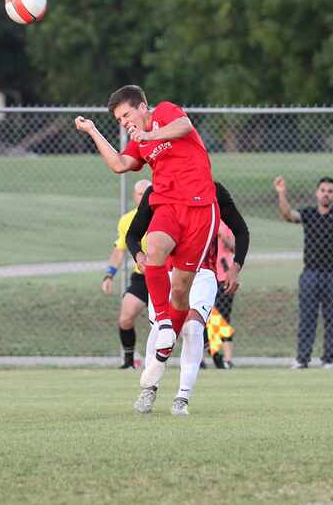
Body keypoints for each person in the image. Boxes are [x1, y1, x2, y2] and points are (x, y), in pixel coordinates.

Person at [76, 85, 218, 386]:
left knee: (181, 289)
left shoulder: (164, 112)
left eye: (126, 114)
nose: (124, 122)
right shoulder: (137, 142)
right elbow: (118, 164)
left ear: (143, 107)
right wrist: (92, 131)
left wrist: (150, 135)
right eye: (118, 119)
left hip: (200, 208)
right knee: (153, 249)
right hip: (167, 205)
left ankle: (162, 353)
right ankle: (164, 322)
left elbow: (184, 126)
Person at [126, 182, 249, 415]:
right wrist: (140, 255)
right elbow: (133, 235)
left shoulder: (213, 190)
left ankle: (182, 397)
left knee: (192, 328)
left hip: (202, 273)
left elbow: (241, 231)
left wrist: (235, 267)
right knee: (162, 332)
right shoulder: (156, 191)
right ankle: (149, 388)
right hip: (165, 273)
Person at [274, 175, 333, 369]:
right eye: (323, 190)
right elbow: (289, 215)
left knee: (332, 319)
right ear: (317, 193)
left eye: (330, 191)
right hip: (311, 274)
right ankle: (302, 359)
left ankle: (328, 360)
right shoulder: (309, 214)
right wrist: (281, 194)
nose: (326, 194)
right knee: (307, 318)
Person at [102, 179, 152, 369]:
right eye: (140, 193)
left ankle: (203, 361)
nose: (143, 197)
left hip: (166, 276)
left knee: (183, 321)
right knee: (125, 318)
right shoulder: (127, 220)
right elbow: (119, 250)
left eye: (147, 192)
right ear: (134, 196)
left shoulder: (163, 214)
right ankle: (129, 362)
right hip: (141, 277)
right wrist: (109, 275)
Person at [211, 221, 237, 369]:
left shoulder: (226, 223)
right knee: (206, 317)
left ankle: (227, 359)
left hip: (223, 276)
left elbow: (234, 247)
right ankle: (213, 356)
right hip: (205, 275)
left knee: (222, 317)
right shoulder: (203, 219)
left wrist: (222, 234)